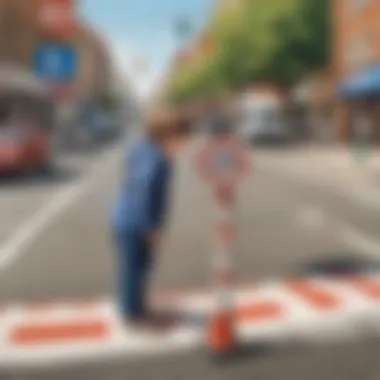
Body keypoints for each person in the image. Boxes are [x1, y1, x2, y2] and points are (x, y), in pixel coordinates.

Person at [110, 108, 191, 327]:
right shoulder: (156, 159)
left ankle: (136, 306)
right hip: (135, 222)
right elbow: (143, 192)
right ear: (167, 135)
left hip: (124, 218)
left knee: (135, 267)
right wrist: (151, 230)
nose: (184, 144)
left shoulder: (141, 149)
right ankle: (132, 313)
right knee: (136, 268)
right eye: (181, 137)